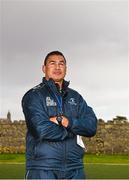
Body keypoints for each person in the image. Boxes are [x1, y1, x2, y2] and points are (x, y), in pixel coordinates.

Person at [22, 51, 97, 179]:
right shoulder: (34, 95)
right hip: (43, 168)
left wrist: (68, 122)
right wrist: (73, 131)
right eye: (52, 63)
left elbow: (91, 127)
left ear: (66, 69)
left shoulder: (76, 97)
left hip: (75, 169)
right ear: (44, 68)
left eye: (61, 64)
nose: (57, 67)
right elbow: (41, 130)